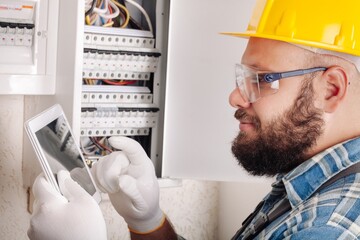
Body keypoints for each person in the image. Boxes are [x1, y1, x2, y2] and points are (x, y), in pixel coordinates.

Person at [27, 0, 360, 239]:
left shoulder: (327, 228)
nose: (236, 97)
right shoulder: (310, 187)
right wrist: (148, 223)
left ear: (331, 89)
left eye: (262, 79)